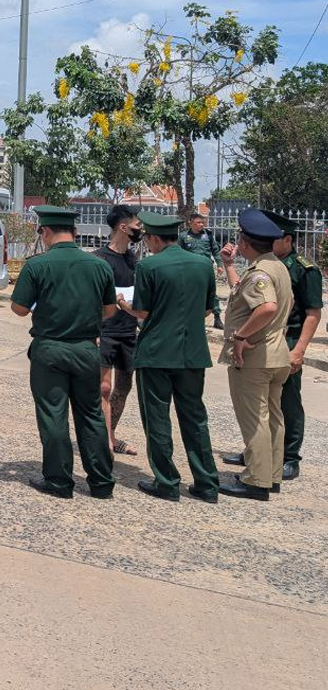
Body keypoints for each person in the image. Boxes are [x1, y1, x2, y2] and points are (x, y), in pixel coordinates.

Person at [9, 206, 117, 500]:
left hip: (50, 350)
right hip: (86, 349)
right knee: (91, 414)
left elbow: (18, 309)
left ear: (44, 231)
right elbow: (109, 310)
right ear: (75, 232)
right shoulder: (99, 265)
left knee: (53, 415)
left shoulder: (37, 265)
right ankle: (102, 482)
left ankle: (59, 481)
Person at [121, 212, 221, 503]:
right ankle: (206, 484)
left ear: (153, 238)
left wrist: (123, 305)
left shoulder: (149, 266)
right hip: (192, 353)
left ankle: (166, 482)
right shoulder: (203, 265)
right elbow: (207, 309)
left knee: (157, 418)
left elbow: (143, 311)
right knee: (195, 419)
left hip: (156, 353)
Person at [232, 211, 322, 482]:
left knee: (287, 403)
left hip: (288, 337)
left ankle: (289, 457)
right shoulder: (272, 265)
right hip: (273, 335)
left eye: (276, 238)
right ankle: (260, 456)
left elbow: (312, 312)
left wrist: (300, 350)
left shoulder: (303, 269)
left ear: (287, 239)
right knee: (265, 408)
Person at [214, 209, 293, 501]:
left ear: (245, 243)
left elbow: (266, 307)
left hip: (256, 356)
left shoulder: (259, 272)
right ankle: (270, 475)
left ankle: (256, 481)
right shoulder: (276, 267)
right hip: (276, 354)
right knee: (273, 417)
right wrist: (229, 265)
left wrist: (241, 336)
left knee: (255, 419)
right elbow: (247, 293)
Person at [93, 204, 142, 456]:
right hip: (105, 331)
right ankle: (104, 441)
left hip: (128, 332)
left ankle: (110, 434)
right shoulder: (99, 259)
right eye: (136, 225)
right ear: (123, 227)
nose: (140, 230)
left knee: (124, 387)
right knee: (103, 387)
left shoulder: (134, 260)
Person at [179, 211, 224, 330]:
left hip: (206, 269)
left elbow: (215, 250)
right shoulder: (183, 236)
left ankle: (217, 318)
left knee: (212, 293)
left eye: (202, 222)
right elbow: (178, 254)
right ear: (191, 223)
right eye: (198, 222)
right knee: (190, 294)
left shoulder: (208, 235)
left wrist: (219, 264)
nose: (202, 225)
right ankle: (190, 319)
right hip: (190, 271)